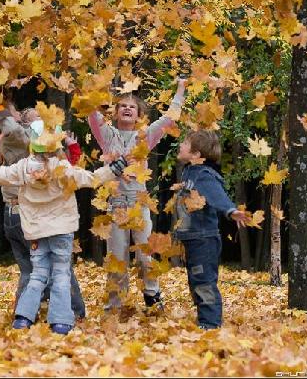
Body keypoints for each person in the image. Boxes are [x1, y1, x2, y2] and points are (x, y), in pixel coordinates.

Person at [0, 121, 128, 334]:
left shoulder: (23, 168)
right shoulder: (62, 169)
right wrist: (114, 169)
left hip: (35, 231)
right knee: (60, 274)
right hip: (61, 230)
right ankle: (60, 321)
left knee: (38, 273)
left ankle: (23, 318)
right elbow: (91, 179)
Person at [88, 78, 186, 311]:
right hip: (117, 206)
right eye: (123, 105)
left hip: (139, 205)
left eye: (132, 106)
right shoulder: (107, 135)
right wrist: (97, 86)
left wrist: (181, 88)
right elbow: (92, 115)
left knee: (145, 255)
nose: (127, 108)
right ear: (115, 112)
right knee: (117, 258)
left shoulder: (145, 136)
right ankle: (114, 304)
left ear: (139, 114)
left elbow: (169, 119)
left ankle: (152, 296)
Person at [0, 97, 85, 318]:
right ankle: (74, 312)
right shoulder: (23, 141)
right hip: (29, 216)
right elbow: (14, 127)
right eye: (37, 118)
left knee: (30, 271)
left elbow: (69, 168)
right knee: (59, 267)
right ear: (24, 124)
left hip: (13, 214)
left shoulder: (22, 146)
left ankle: (23, 316)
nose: (43, 122)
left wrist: (71, 147)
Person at [172, 130, 250, 329]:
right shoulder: (189, 171)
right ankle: (205, 318)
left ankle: (210, 324)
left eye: (185, 143)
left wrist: (231, 211)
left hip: (204, 239)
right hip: (193, 238)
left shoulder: (203, 175)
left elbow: (217, 195)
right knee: (196, 280)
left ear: (196, 154)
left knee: (204, 281)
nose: (180, 145)